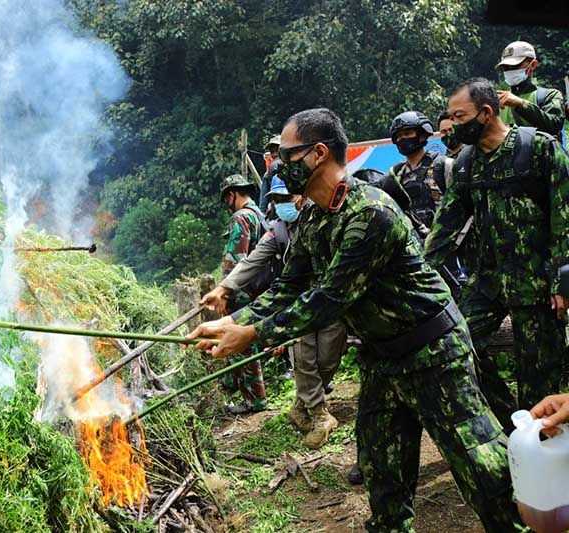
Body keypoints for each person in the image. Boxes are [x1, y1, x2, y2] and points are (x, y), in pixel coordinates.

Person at [190, 108, 522, 531]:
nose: (276, 167)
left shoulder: (369, 214)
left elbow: (330, 297)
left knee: (484, 472)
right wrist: (233, 320)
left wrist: (252, 333)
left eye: (286, 156)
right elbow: (290, 285)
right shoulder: (313, 216)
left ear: (318, 154)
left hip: (434, 353)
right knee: (382, 475)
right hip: (383, 358)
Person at [425, 77, 569, 433]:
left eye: (460, 117)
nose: (454, 125)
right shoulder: (466, 163)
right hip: (487, 283)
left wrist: (562, 279)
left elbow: (565, 216)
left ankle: (545, 451)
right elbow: (446, 224)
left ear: (486, 113)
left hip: (538, 284)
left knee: (540, 377)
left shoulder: (537, 148)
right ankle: (512, 419)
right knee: (456, 345)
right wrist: (417, 270)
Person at [201, 176, 347, 448]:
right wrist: (223, 287)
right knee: (303, 358)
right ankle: (319, 414)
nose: (282, 205)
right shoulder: (276, 228)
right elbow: (254, 259)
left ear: (301, 197)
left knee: (327, 358)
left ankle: (301, 407)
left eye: (286, 199)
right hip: (296, 300)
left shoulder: (322, 220)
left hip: (331, 301)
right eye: (276, 200)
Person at [218, 173, 268, 414]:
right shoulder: (258, 213)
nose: (227, 202)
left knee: (242, 344)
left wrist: (224, 291)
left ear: (232, 194)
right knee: (249, 341)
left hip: (242, 290)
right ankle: (237, 387)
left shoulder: (241, 217)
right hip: (257, 287)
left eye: (227, 197)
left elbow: (235, 259)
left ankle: (254, 400)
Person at [386, 111, 452, 229]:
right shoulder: (395, 175)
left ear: (422, 134)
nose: (402, 139)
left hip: (443, 240)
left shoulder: (443, 165)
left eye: (407, 133)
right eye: (398, 136)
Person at [496, 40, 566, 138]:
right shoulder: (498, 100)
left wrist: (521, 104)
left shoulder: (549, 95)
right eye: (505, 68)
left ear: (533, 65)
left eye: (515, 66)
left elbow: (554, 126)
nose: (509, 71)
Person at [259, 134, 281, 213]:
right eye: (272, 151)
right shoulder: (268, 174)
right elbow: (263, 201)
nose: (275, 154)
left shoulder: (296, 167)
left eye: (277, 150)